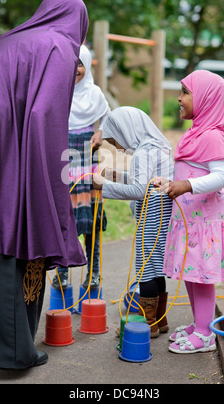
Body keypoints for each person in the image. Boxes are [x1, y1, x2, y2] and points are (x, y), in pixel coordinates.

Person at [0, 0, 88, 369]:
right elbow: (43, 116)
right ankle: (12, 353)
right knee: (11, 230)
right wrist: (50, 181)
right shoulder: (59, 45)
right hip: (3, 136)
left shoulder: (10, 39)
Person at [153, 69, 224, 353]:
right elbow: (188, 171)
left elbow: (221, 176)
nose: (179, 98)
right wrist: (170, 183)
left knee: (201, 276)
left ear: (206, 99)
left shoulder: (212, 136)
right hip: (190, 221)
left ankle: (204, 334)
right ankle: (199, 323)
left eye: (185, 93)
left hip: (206, 223)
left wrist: (187, 185)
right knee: (192, 274)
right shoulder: (195, 133)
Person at [93, 106, 173, 337]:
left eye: (114, 140)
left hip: (151, 212)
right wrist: (113, 175)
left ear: (126, 130)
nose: (116, 147)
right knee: (156, 267)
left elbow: (139, 189)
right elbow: (146, 179)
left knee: (145, 268)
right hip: (163, 211)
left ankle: (147, 325)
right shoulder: (158, 146)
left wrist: (103, 186)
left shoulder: (142, 153)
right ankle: (159, 320)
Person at [52, 44, 110, 291]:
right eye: (71, 63)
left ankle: (94, 272)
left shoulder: (95, 94)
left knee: (92, 220)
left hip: (88, 157)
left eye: (80, 63)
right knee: (65, 216)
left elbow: (108, 116)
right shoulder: (57, 91)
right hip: (64, 157)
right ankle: (62, 272)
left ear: (87, 65)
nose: (75, 69)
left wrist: (100, 132)